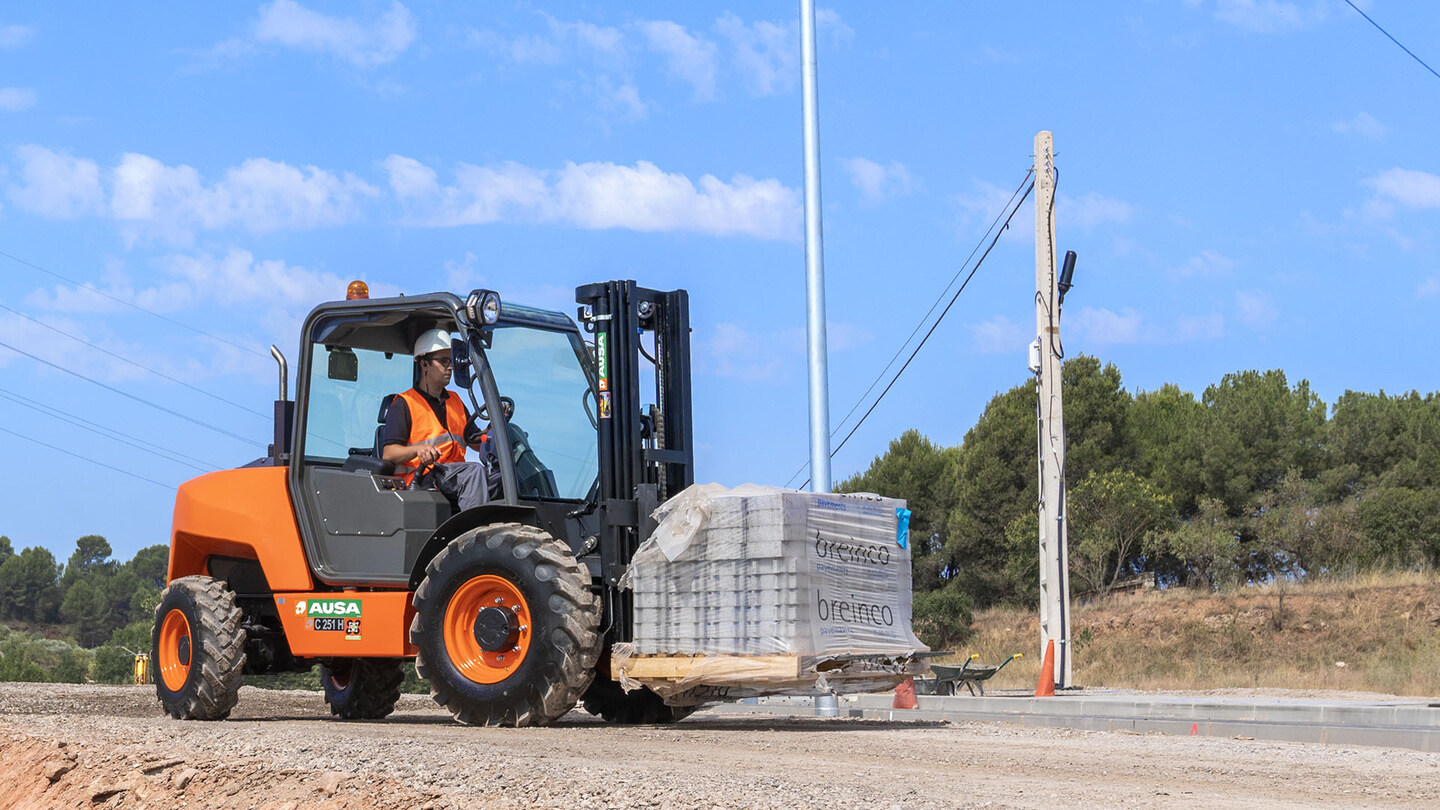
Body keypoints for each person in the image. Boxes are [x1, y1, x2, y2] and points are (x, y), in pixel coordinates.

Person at [381, 329, 495, 509]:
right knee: (474, 473)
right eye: (443, 361)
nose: (450, 367)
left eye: (451, 361)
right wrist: (419, 450)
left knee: (502, 477)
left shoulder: (455, 401)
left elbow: (475, 442)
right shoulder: (405, 403)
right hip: (425, 476)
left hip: (455, 476)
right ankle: (475, 535)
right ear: (424, 364)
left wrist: (491, 432)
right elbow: (389, 453)